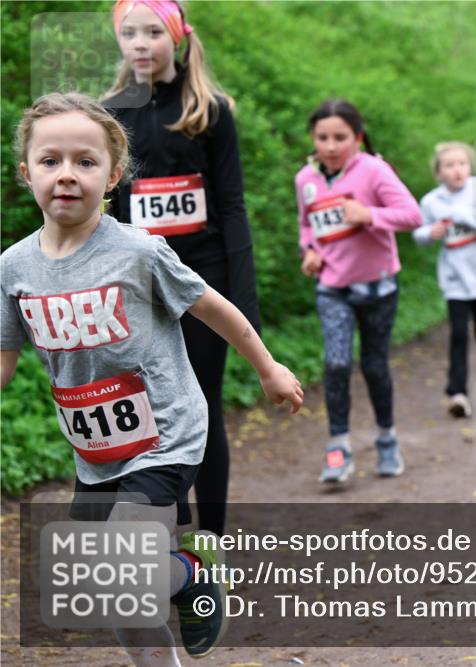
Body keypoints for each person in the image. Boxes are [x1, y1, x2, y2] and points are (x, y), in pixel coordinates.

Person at [1, 92, 303, 665]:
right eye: (50, 160)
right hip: (96, 450)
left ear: (113, 176)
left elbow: (214, 308)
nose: (67, 174)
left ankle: (190, 571)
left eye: (85, 162)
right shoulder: (13, 268)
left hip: (166, 435)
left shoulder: (139, 251)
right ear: (26, 172)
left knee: (124, 572)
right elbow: (4, 359)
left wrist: (268, 369)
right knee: (108, 594)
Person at [104, 0, 260, 536]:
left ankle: (211, 544)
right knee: (150, 410)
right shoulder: (110, 113)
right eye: (129, 33)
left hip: (205, 278)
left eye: (153, 31)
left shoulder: (210, 109)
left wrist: (244, 297)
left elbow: (233, 207)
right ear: (119, 41)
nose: (141, 43)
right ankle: (174, 530)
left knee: (203, 407)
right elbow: (111, 213)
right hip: (141, 285)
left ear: (178, 37)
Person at [296, 98, 423, 484]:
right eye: (322, 137)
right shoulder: (306, 179)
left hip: (378, 286)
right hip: (332, 286)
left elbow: (413, 215)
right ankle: (338, 449)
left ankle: (387, 440)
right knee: (335, 364)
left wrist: (370, 215)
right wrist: (310, 252)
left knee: (373, 365)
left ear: (358, 137)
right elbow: (306, 225)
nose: (331, 146)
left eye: (340, 137)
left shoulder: (374, 170)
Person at [415, 142, 476, 418]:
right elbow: (418, 234)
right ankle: (457, 393)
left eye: (462, 164)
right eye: (449, 165)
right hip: (454, 280)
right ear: (439, 172)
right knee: (457, 334)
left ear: (469, 167)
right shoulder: (432, 202)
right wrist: (428, 233)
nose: (457, 170)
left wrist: (467, 217)